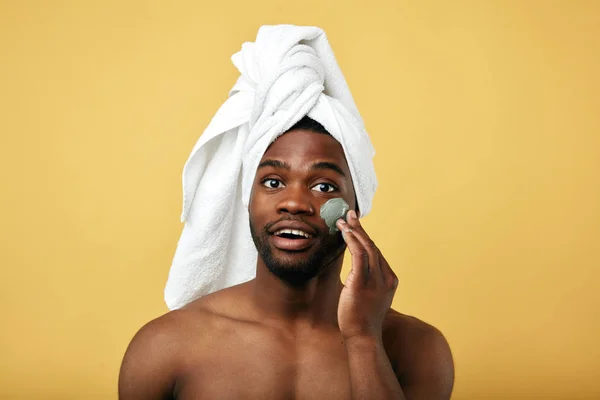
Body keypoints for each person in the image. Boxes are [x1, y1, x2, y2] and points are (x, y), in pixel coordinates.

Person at [119, 26, 454, 400]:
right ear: (248, 198)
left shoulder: (416, 349)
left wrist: (362, 337)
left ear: (356, 207)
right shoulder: (166, 347)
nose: (293, 202)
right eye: (273, 182)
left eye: (323, 186)